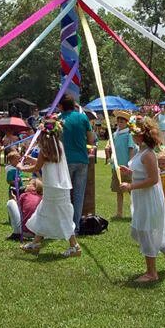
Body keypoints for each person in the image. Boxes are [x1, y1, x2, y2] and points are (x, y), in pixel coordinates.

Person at [118, 116, 165, 282]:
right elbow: (143, 172)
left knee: (146, 230)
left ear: (142, 135)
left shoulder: (149, 154)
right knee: (144, 228)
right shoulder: (140, 151)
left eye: (134, 133)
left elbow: (153, 180)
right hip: (142, 196)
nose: (132, 136)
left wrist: (130, 186)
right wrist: (130, 173)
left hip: (149, 196)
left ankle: (152, 273)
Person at [19, 118, 81, 258]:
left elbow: (37, 167)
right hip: (61, 187)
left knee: (59, 215)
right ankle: (36, 243)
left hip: (52, 187)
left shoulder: (45, 149)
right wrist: (31, 160)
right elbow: (48, 163)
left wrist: (21, 167)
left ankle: (75, 246)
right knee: (45, 211)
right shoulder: (58, 146)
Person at [58, 95, 94, 234]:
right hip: (82, 160)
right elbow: (91, 138)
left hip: (65, 161)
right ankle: (76, 227)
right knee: (79, 195)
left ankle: (64, 225)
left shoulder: (58, 120)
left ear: (61, 106)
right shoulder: (83, 118)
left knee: (65, 193)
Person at [109, 111, 137, 219]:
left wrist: (129, 164)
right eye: (118, 122)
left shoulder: (128, 135)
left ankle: (136, 212)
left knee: (131, 190)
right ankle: (119, 213)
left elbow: (131, 149)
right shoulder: (115, 134)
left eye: (122, 122)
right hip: (116, 166)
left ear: (126, 123)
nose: (120, 124)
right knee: (118, 190)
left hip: (125, 167)